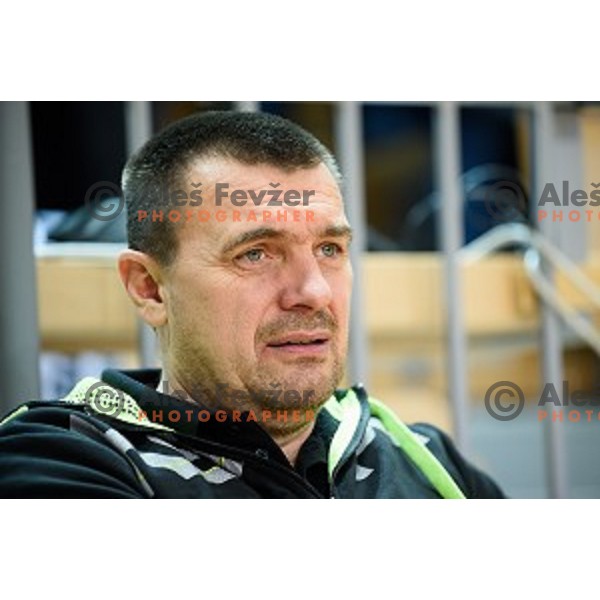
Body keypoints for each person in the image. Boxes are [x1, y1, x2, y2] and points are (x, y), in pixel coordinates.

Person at [0, 110, 504, 498]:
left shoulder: (425, 457)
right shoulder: (61, 457)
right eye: (256, 254)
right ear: (149, 288)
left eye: (329, 250)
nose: (313, 292)